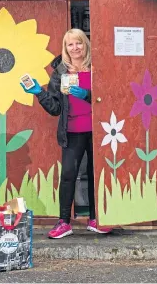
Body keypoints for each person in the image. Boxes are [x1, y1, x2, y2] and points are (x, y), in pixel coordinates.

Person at [20, 28, 112, 238]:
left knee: (95, 174)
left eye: (79, 43)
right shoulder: (61, 72)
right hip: (72, 130)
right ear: (65, 47)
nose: (75, 48)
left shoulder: (97, 67)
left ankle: (95, 219)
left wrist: (87, 95)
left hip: (100, 130)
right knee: (69, 174)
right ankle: (64, 222)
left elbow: (108, 97)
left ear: (85, 44)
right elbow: (55, 108)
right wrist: (39, 92)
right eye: (70, 44)